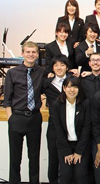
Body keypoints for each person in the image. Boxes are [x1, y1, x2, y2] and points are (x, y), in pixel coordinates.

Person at [4, 41, 46, 184]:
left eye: (33, 52)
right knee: (15, 158)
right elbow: (7, 99)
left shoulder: (41, 71)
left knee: (34, 157)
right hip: (17, 118)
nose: (31, 54)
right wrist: (11, 119)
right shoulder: (12, 73)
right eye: (28, 52)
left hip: (34, 118)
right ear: (22, 53)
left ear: (37, 54)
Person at [51, 76, 91, 184]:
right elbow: (58, 129)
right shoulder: (56, 105)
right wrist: (67, 152)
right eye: (69, 87)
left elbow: (86, 128)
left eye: (75, 87)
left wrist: (79, 151)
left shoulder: (85, 104)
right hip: (64, 145)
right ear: (64, 88)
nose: (72, 90)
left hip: (81, 145)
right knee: (65, 175)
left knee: (80, 174)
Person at [42, 55, 74, 184]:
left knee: (69, 160)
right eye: (56, 65)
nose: (59, 68)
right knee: (53, 158)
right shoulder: (46, 83)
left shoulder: (74, 81)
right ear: (52, 68)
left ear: (67, 67)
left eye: (62, 65)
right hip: (54, 126)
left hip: (71, 126)